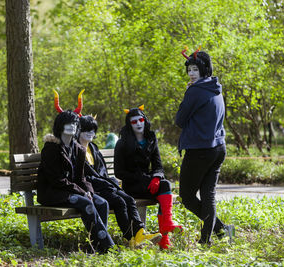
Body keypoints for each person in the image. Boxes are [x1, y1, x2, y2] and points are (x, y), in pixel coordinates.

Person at [37, 90, 114, 254]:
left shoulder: (78, 149)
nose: (72, 126)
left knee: (102, 202)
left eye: (74, 123)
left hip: (72, 191)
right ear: (60, 125)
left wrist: (88, 190)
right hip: (52, 193)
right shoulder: (51, 149)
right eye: (68, 123)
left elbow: (81, 177)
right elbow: (56, 180)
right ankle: (108, 247)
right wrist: (81, 192)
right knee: (85, 203)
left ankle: (96, 246)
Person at [176, 47, 235, 245]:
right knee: (208, 194)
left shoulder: (195, 91)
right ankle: (211, 237)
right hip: (218, 148)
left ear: (203, 69)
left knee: (186, 196)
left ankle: (218, 231)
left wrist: (187, 94)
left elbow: (180, 119)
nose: (191, 74)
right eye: (189, 70)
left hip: (200, 150)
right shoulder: (215, 87)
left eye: (194, 69)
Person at [77, 115, 162, 248]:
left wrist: (108, 182)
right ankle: (130, 239)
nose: (90, 133)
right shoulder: (76, 150)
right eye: (86, 130)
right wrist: (104, 183)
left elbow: (102, 171)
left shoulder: (93, 148)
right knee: (119, 202)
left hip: (105, 185)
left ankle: (140, 234)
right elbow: (82, 176)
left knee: (129, 199)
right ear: (78, 131)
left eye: (93, 130)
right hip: (93, 189)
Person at [114, 105, 182, 249]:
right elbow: (119, 172)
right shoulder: (122, 143)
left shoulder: (151, 139)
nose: (138, 123)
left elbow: (158, 165)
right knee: (165, 188)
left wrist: (156, 177)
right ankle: (164, 236)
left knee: (165, 185)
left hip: (149, 183)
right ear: (129, 124)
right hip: (132, 186)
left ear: (145, 121)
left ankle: (165, 233)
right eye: (134, 121)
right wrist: (143, 178)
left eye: (140, 120)